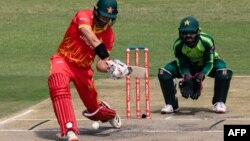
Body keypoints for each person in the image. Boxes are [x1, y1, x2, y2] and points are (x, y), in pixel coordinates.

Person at [48, 0, 129, 140]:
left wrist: (112, 68)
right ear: (96, 11)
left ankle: (110, 113)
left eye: (108, 18)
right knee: (57, 83)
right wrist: (106, 56)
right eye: (103, 17)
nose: (105, 21)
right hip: (64, 60)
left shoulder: (109, 35)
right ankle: (69, 130)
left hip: (84, 70)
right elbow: (89, 35)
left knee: (95, 111)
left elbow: (99, 65)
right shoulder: (83, 15)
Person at [158, 16, 233, 115]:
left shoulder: (207, 41)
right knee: (164, 73)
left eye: (191, 33)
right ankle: (171, 104)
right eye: (184, 33)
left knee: (224, 72)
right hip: (189, 65)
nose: (188, 36)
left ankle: (219, 102)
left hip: (207, 65)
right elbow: (182, 63)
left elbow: (210, 62)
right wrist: (187, 76)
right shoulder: (178, 45)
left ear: (198, 31)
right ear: (180, 32)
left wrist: (200, 77)